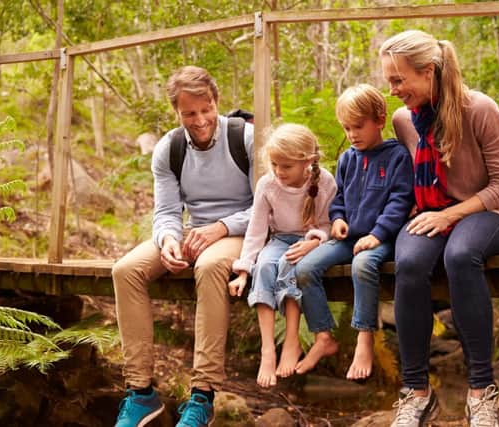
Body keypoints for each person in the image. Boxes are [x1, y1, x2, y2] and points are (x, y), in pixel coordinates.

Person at [380, 30, 499, 427]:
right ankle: (416, 394)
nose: (392, 90)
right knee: (407, 264)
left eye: (398, 80)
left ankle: (481, 393)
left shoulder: (479, 109)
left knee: (460, 255)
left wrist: (452, 215)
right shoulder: (404, 120)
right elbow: (407, 182)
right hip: (429, 214)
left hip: (489, 216)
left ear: (428, 72)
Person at [112, 65, 254, 427]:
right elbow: (166, 212)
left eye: (206, 109)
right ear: (177, 112)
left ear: (216, 102)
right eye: (190, 113)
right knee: (125, 270)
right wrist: (169, 240)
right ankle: (141, 392)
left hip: (242, 229)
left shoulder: (246, 138)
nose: (200, 119)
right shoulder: (169, 148)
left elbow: (267, 207)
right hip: (193, 233)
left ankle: (202, 395)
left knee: (208, 266)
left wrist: (221, 228)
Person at [294, 84, 414, 380]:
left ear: (380, 120)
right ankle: (323, 336)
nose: (352, 135)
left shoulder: (397, 156)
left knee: (363, 265)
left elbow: (401, 200)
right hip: (348, 237)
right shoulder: (348, 158)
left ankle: (364, 336)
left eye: (359, 126)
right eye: (346, 128)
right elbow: (340, 198)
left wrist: (377, 234)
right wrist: (337, 219)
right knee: (305, 268)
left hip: (381, 238)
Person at [228, 123, 336, 388]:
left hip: (310, 240)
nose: (278, 171)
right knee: (265, 266)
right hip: (279, 239)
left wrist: (313, 242)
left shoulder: (324, 182)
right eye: (274, 164)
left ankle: (291, 340)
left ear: (307, 162)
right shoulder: (268, 184)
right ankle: (267, 349)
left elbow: (329, 224)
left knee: (290, 264)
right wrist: (243, 271)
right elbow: (256, 231)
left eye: (286, 166)